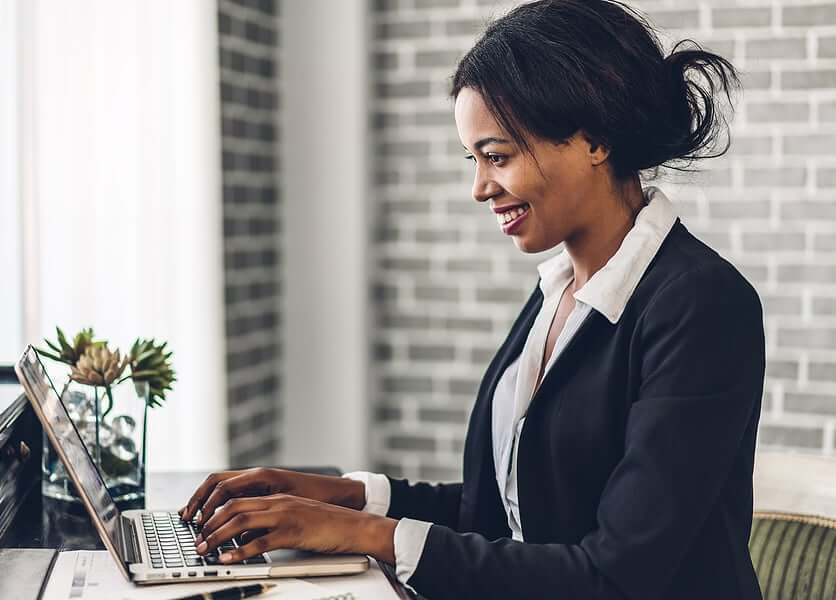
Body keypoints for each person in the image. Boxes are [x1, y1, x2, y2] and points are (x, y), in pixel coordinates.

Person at [179, 1, 765, 598]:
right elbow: (512, 513)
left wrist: (365, 534)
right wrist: (342, 497)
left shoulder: (701, 306)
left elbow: (613, 575)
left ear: (595, 140)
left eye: (498, 155)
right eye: (474, 159)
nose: (480, 187)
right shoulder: (561, 289)